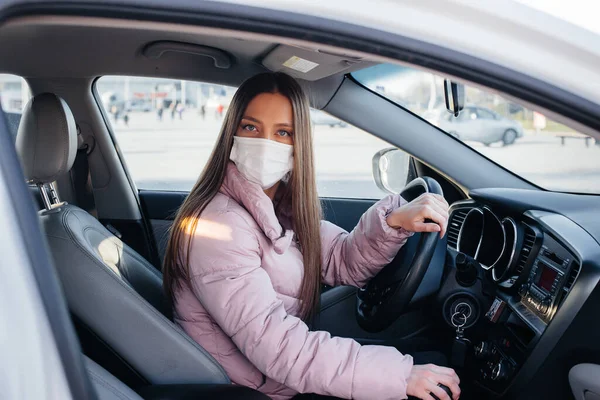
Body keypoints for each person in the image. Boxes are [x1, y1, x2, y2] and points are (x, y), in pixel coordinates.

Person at [163, 72, 459, 400]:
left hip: (277, 377)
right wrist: (400, 376)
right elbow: (278, 348)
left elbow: (341, 259)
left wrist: (394, 222)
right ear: (231, 134)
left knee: (430, 360)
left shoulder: (276, 206)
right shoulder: (220, 228)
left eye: (283, 132)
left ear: (297, 145)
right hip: (256, 389)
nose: (265, 144)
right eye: (251, 128)